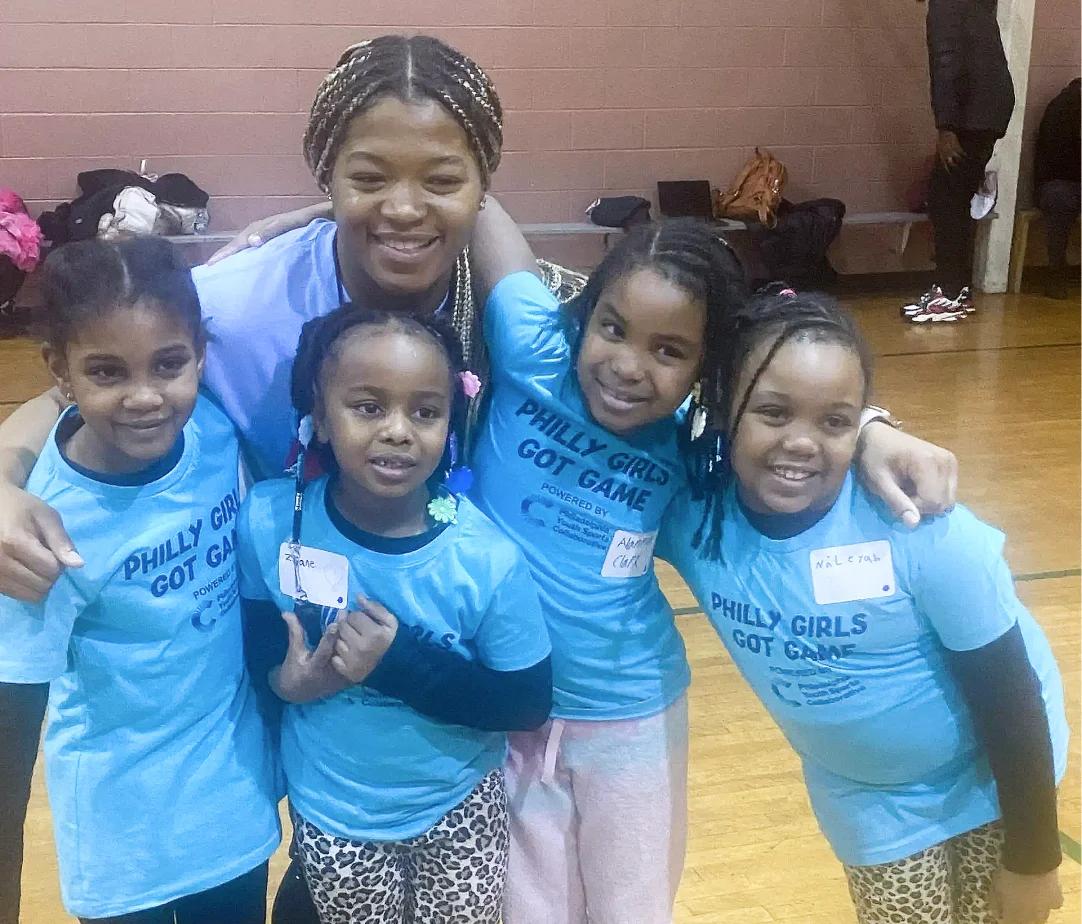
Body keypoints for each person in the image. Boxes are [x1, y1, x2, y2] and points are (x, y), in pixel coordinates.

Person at [0, 34, 959, 924]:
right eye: (367, 177)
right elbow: (100, 377)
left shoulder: (533, 314)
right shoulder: (240, 305)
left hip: (467, 695)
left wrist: (868, 428)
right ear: (325, 174)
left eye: (442, 180)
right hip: (274, 676)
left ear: (481, 188)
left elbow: (696, 383)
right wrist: (3, 473)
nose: (405, 208)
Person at [659, 289, 1068, 924]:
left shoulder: (921, 529)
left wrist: (1036, 859)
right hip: (869, 800)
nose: (801, 443)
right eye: (772, 412)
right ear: (721, 408)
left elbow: (1011, 699)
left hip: (990, 775)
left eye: (835, 422)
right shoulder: (693, 517)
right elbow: (646, 378)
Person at [238, 306, 551, 922]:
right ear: (320, 419)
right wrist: (288, 682)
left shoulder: (485, 558)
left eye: (426, 412)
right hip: (334, 810)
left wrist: (397, 665)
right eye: (369, 407)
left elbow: (525, 703)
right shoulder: (269, 519)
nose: (399, 431)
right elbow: (259, 645)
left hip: (458, 804)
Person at [0, 237, 280, 923]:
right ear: (59, 373)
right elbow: (14, 719)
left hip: (230, 802)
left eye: (168, 365)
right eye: (107, 373)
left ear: (201, 357)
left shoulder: (214, 430)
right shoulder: (45, 529)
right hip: (121, 829)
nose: (145, 397)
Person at [903, 0, 1015, 322]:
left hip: (972, 113)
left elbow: (946, 63)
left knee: (945, 201)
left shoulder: (945, 4)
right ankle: (956, 289)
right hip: (989, 109)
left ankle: (949, 293)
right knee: (953, 199)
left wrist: (946, 127)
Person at [1034, 77, 1081, 300]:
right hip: (1060, 182)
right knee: (1060, 198)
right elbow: (1056, 160)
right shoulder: (1063, 107)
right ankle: (1056, 271)